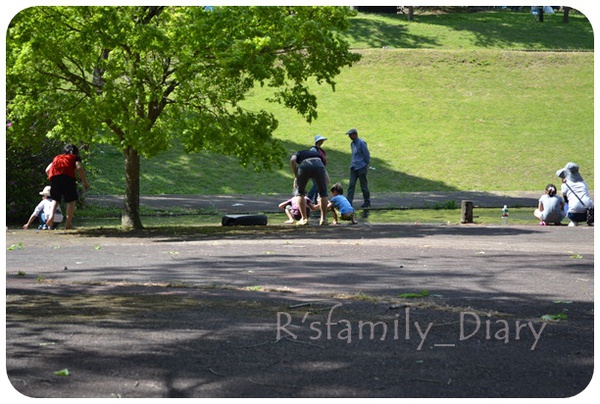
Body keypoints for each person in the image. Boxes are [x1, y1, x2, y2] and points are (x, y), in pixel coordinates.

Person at [45, 143, 90, 230]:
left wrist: (52, 178)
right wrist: (85, 183)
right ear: (76, 152)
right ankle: (68, 224)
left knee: (55, 199)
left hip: (54, 177)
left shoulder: (57, 157)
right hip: (68, 177)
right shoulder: (75, 157)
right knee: (71, 201)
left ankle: (51, 217)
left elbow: (47, 170)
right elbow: (79, 168)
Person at [289, 148, 329, 226]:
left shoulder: (298, 152)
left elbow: (292, 160)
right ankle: (323, 219)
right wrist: (324, 187)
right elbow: (326, 176)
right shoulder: (319, 156)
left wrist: (296, 176)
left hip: (305, 164)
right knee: (323, 194)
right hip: (319, 165)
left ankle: (304, 219)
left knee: (300, 193)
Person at [556, 162, 594, 226]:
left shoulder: (565, 185)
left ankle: (574, 221)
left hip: (574, 214)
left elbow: (566, 199)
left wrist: (563, 183)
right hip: (589, 213)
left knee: (566, 203)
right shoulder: (584, 183)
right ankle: (590, 220)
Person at [345, 128, 371, 208]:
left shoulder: (362, 143)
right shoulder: (352, 144)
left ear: (355, 134)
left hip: (361, 167)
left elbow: (366, 154)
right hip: (353, 167)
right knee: (351, 185)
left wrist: (365, 164)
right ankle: (349, 202)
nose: (349, 136)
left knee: (363, 185)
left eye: (351, 135)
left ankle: (367, 201)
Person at [307, 134, 328, 204]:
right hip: (314, 170)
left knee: (318, 185)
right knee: (316, 185)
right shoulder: (313, 149)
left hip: (320, 170)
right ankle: (308, 198)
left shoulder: (319, 149)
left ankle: (316, 200)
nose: (322, 141)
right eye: (321, 140)